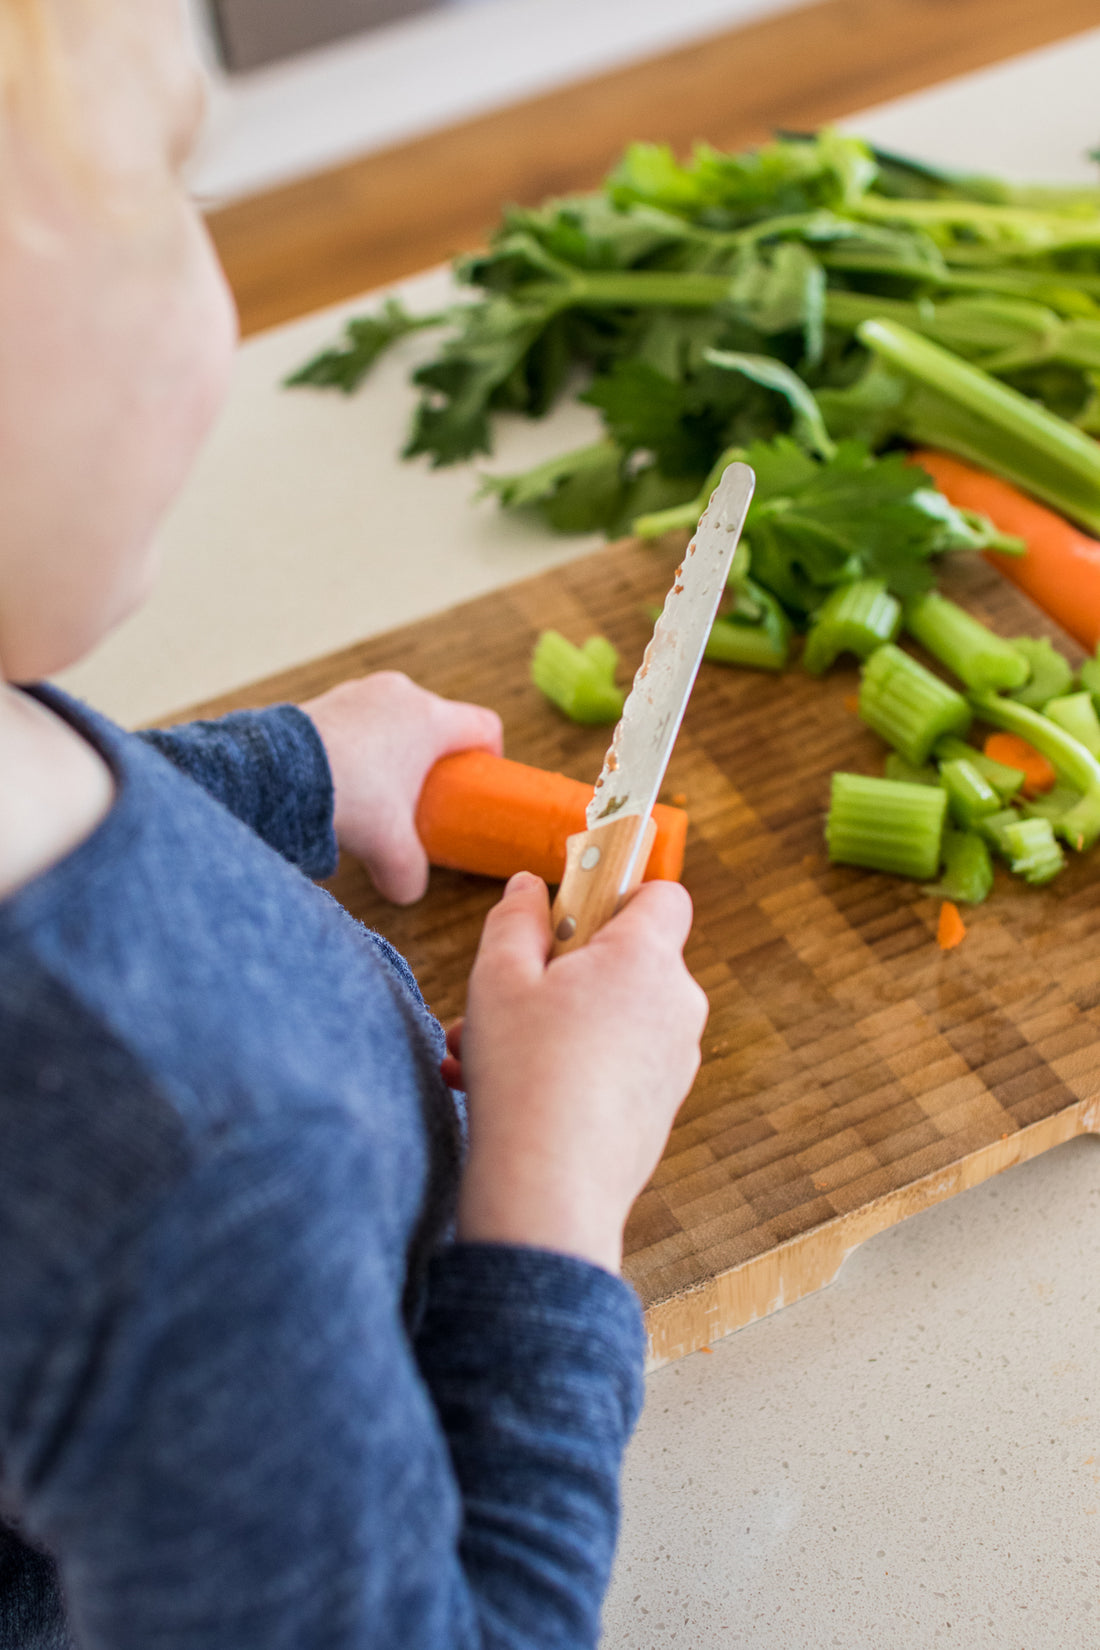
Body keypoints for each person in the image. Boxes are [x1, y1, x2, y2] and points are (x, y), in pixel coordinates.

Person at [0, 2, 709, 1646]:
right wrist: (551, 1192)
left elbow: (75, 812)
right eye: (174, 194)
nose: (215, 281)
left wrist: (296, 772)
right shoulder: (200, 1178)